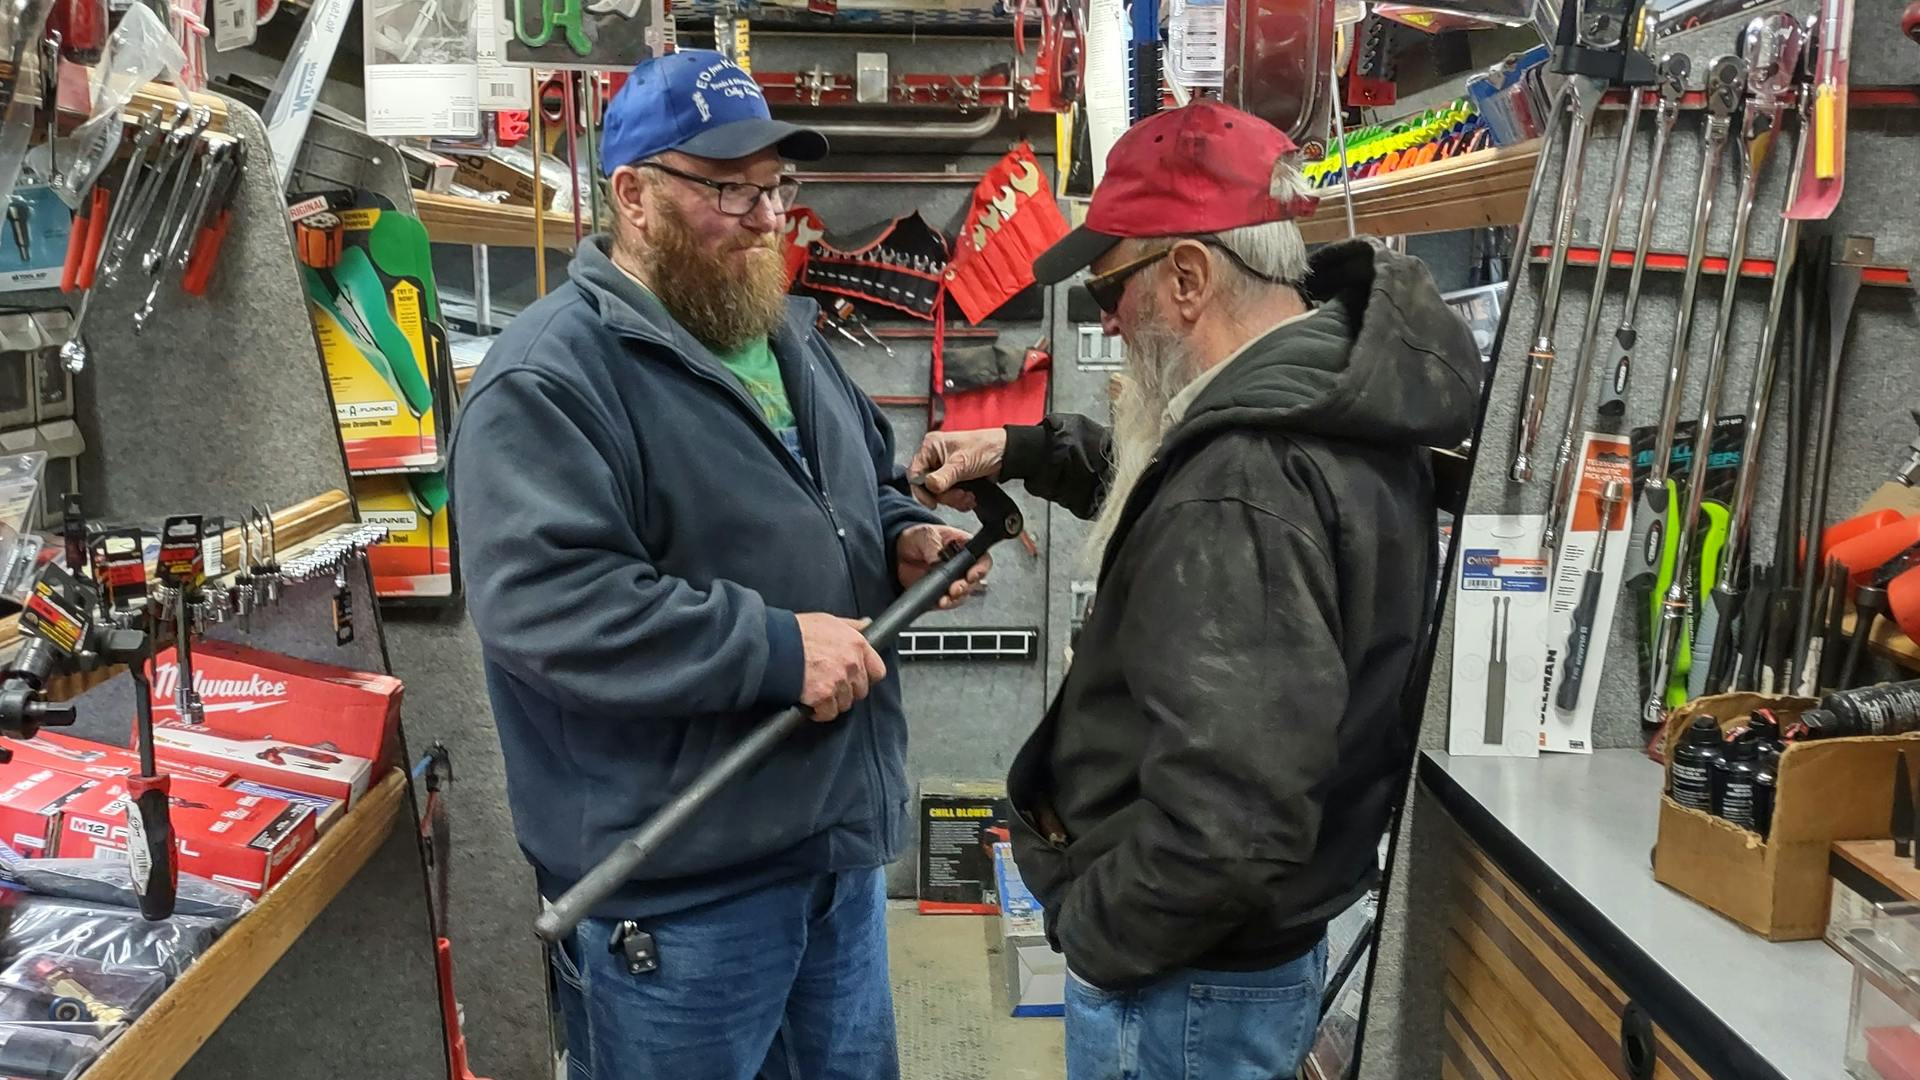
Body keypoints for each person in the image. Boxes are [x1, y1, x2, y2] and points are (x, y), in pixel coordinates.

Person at [910, 100, 1481, 1078]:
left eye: (1109, 294)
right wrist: (1026, 449)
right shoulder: (1334, 409)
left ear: (1185, 276)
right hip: (1246, 967)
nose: (1108, 324)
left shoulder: (1244, 487)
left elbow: (1231, 827)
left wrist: (1092, 933)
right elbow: (1170, 490)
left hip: (1183, 994)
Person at [449, 50, 989, 1080]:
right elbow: (550, 607)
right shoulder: (548, 379)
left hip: (831, 860)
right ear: (634, 197)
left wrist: (899, 537)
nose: (763, 217)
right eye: (727, 189)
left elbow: (853, 486)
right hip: (682, 899)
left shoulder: (784, 337)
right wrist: (772, 648)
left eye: (775, 188)